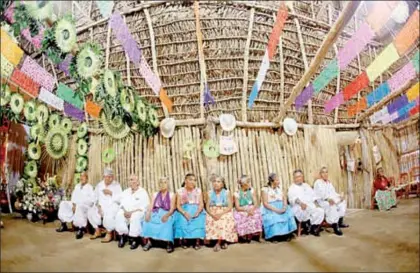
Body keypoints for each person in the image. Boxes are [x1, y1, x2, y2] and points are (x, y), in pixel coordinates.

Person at [114, 174, 150, 249]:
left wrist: (132, 212)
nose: (131, 182)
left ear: (138, 182)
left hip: (137, 212)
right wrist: (124, 211)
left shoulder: (143, 192)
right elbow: (121, 204)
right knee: (119, 214)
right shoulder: (125, 192)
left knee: (135, 216)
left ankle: (135, 239)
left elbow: (144, 206)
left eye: (133, 180)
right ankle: (122, 236)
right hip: (126, 211)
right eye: (130, 180)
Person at [56, 172, 95, 239]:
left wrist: (79, 205)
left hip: (84, 206)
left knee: (79, 207)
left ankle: (81, 229)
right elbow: (73, 196)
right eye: (81, 176)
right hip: (75, 204)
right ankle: (63, 224)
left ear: (87, 178)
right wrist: (74, 204)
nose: (82, 178)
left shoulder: (90, 187)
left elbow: (91, 200)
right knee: (63, 203)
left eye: (84, 176)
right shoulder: (77, 186)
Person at [88, 168, 122, 243]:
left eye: (111, 177)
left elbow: (120, 198)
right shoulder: (100, 185)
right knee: (90, 211)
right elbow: (95, 197)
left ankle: (109, 233)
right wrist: (98, 206)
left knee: (109, 213)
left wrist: (111, 193)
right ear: (104, 177)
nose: (109, 179)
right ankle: (97, 231)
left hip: (112, 206)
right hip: (101, 207)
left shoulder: (116, 185)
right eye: (107, 177)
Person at [143, 177, 176, 253]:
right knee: (147, 220)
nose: (163, 184)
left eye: (165, 182)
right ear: (159, 184)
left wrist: (167, 215)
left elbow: (172, 209)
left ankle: (169, 243)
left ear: (168, 184)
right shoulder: (155, 194)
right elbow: (151, 206)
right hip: (156, 212)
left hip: (167, 212)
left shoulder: (172, 194)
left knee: (168, 222)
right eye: (161, 182)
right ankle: (150, 242)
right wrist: (148, 213)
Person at [313, 167, 349, 236]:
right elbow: (319, 195)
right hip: (322, 201)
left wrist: (339, 196)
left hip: (331, 199)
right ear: (320, 174)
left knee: (342, 202)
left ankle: (340, 221)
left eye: (326, 172)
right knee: (332, 205)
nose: (325, 174)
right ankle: (335, 225)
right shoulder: (318, 182)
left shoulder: (329, 183)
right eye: (323, 172)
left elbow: (333, 193)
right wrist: (328, 199)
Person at [205, 175, 238, 252]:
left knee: (224, 219)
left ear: (223, 184)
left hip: (224, 210)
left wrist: (221, 214)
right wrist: (212, 214)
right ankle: (223, 241)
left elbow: (230, 206)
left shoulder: (227, 192)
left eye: (218, 182)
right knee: (210, 219)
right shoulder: (209, 193)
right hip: (213, 211)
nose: (216, 183)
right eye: (214, 182)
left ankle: (218, 243)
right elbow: (207, 207)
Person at [261, 173, 297, 242]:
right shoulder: (265, 189)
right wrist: (277, 210)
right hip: (270, 207)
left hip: (281, 205)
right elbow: (265, 203)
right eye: (277, 180)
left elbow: (284, 198)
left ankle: (287, 234)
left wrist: (284, 207)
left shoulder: (279, 188)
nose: (278, 182)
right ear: (272, 181)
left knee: (288, 212)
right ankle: (275, 236)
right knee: (274, 216)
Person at [287, 170, 324, 237]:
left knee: (320, 210)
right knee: (304, 210)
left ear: (302, 177)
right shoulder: (292, 187)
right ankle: (307, 226)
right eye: (297, 177)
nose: (299, 178)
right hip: (298, 206)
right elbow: (293, 198)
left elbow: (313, 196)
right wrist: (301, 203)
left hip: (309, 205)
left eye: (300, 176)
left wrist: (317, 204)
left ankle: (314, 227)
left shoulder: (306, 185)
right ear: (294, 178)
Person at [174, 173, 206, 250]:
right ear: (185, 181)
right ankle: (184, 240)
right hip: (184, 209)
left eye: (194, 180)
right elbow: (178, 205)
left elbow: (201, 204)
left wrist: (198, 212)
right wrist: (184, 213)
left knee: (199, 219)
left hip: (196, 209)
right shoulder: (179, 191)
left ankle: (197, 240)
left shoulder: (198, 190)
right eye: (190, 180)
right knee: (181, 219)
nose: (192, 182)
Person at [233, 175, 262, 242]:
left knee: (256, 214)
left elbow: (255, 203)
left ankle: (257, 236)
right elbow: (237, 207)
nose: (249, 184)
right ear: (243, 184)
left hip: (252, 207)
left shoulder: (252, 190)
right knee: (240, 216)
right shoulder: (236, 193)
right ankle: (244, 235)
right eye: (248, 182)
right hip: (242, 209)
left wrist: (251, 210)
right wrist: (246, 210)